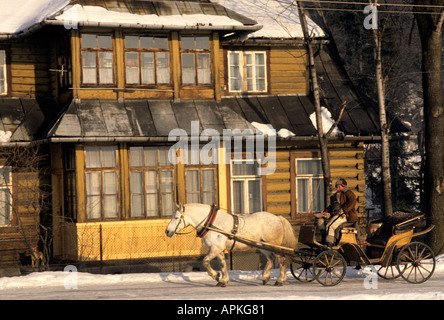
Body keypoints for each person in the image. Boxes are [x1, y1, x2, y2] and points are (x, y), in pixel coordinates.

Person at [314, 178, 358, 247]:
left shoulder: (349, 193)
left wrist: (343, 210)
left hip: (345, 216)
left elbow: (352, 202)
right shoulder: (336, 196)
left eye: (339, 187)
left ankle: (329, 244)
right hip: (336, 215)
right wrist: (325, 212)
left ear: (343, 186)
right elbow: (332, 206)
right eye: (337, 187)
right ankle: (325, 241)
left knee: (330, 226)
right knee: (322, 223)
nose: (337, 188)